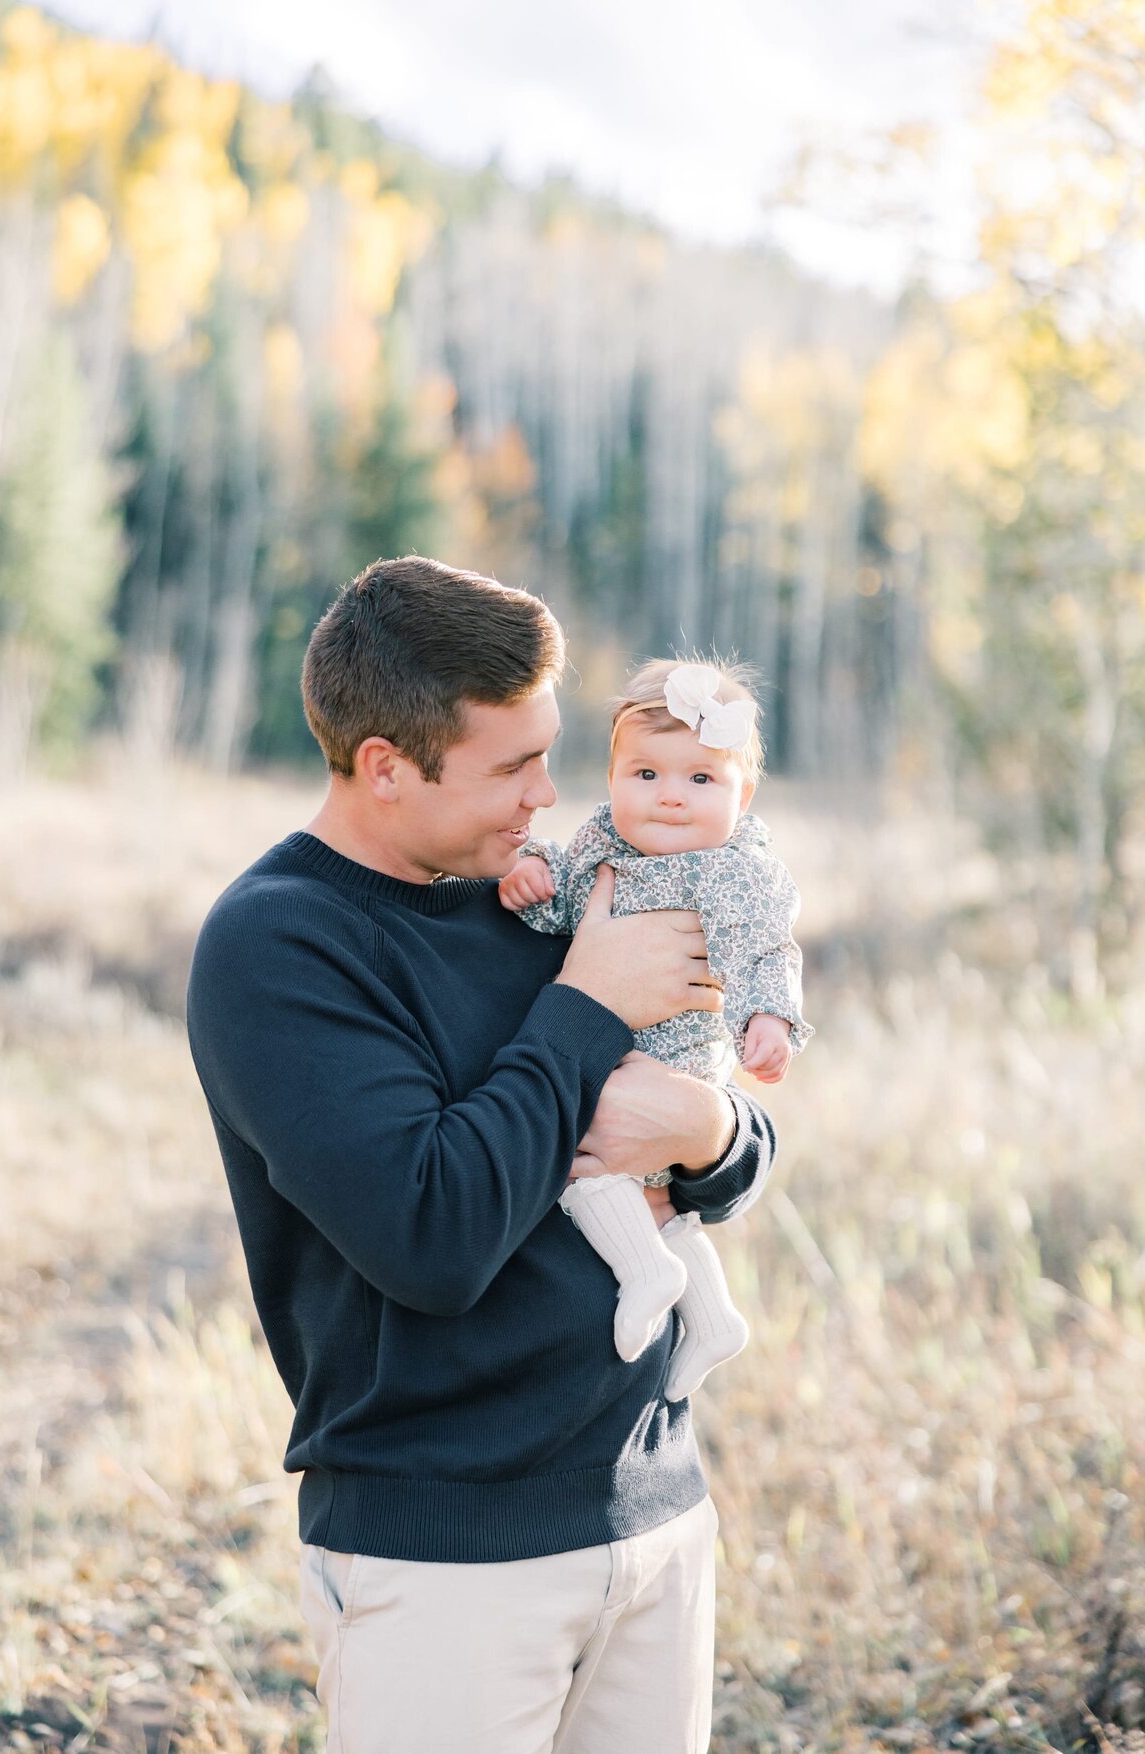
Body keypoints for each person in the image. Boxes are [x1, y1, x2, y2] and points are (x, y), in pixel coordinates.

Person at [186, 557, 778, 1754]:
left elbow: (719, 1122)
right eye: (512, 766)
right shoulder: (279, 945)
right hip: (447, 1563)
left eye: (549, 754)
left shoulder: (540, 896)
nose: (546, 795)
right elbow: (432, 1236)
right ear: (385, 765)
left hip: (658, 1517)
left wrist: (712, 1132)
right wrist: (587, 1003)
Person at [498, 657, 811, 1404]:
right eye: (645, 774)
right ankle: (713, 1318)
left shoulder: (733, 870)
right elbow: (566, 911)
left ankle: (647, 1274)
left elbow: (764, 949)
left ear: (742, 795)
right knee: (654, 1198)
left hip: (674, 1059)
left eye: (700, 778)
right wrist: (533, 879)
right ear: (611, 779)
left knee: (585, 1163)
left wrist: (769, 1018)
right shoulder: (601, 843)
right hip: (608, 1039)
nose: (670, 795)